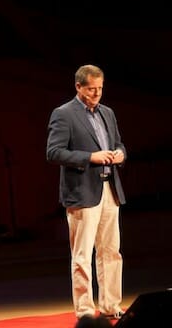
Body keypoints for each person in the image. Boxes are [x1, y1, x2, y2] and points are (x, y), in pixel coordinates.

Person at [46, 64, 126, 319]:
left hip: (109, 189)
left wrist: (121, 154)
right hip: (82, 191)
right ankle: (84, 309)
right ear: (78, 86)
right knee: (82, 254)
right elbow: (54, 152)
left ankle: (111, 304)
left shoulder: (108, 113)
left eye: (100, 89)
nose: (96, 94)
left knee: (111, 251)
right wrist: (91, 157)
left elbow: (117, 143)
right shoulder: (64, 114)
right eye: (91, 89)